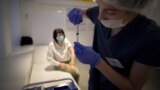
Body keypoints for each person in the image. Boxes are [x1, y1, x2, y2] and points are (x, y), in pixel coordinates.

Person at [68, 0, 160, 90]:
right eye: (99, 6)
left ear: (133, 10)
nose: (99, 17)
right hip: (94, 83)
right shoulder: (103, 10)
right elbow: (86, 12)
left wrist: (97, 62)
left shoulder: (150, 37)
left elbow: (132, 87)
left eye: (110, 12)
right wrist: (78, 12)